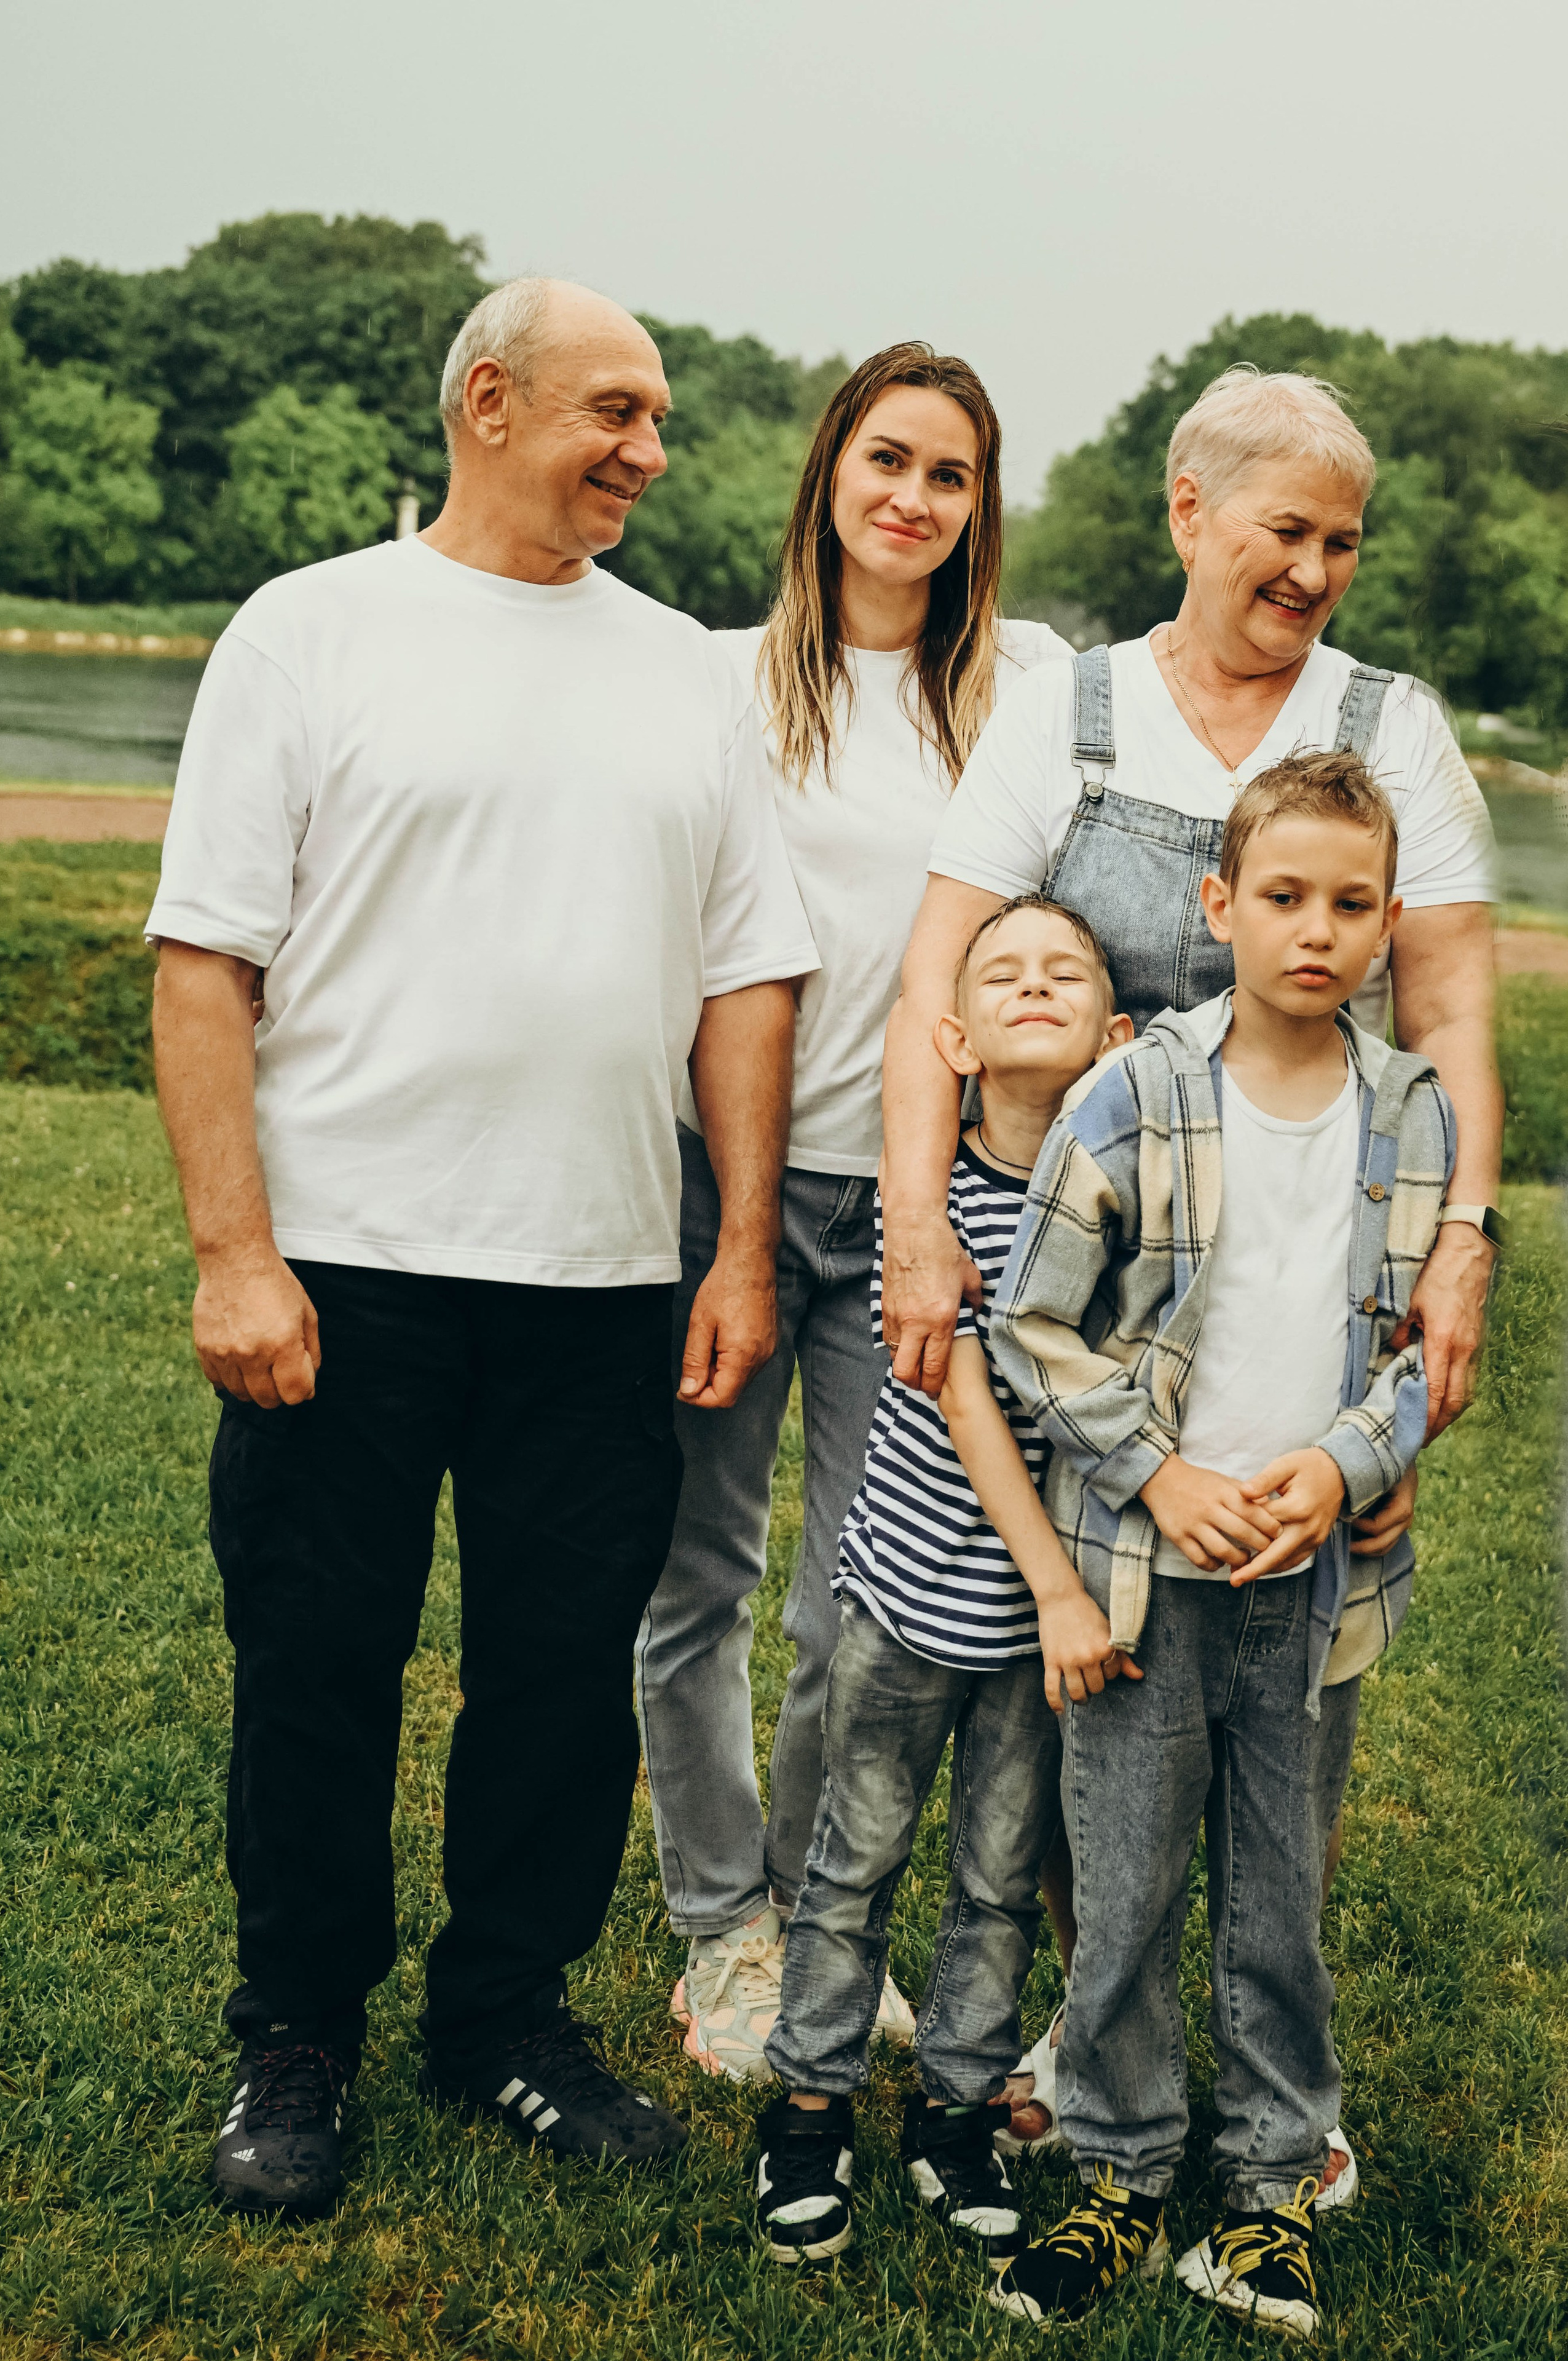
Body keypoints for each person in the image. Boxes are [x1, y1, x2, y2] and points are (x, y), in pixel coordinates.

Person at [148, 277, 819, 2217]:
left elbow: (747, 981)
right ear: (492, 402)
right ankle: (298, 2036)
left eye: (664, 417)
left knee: (555, 1672)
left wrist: (740, 1246)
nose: (653, 450)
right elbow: (207, 964)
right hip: (343, 1267)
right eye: (619, 410)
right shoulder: (313, 631)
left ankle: (505, 2017)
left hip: (603, 1272)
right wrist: (232, 1253)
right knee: (319, 1664)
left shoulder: (686, 670)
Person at [880, 364, 1500, 2169]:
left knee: (1296, 1676)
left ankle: (1269, 2094)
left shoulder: (1396, 726)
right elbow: (938, 981)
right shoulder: (1064, 713)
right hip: (1089, 1285)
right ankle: (1103, 2050)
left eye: (1342, 543)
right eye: (1283, 529)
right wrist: (924, 1226)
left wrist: (1460, 1244)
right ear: (1186, 509)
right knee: (1081, 1672)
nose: (1314, 569)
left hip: (1312, 1271)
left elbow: (1451, 1006)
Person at [634, 346, 1070, 2081]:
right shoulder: (716, 684)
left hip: (913, 1206)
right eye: (886, 459)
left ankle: (814, 1915)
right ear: (830, 474)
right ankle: (720, 1932)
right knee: (694, 1580)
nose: (911, 498)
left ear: (978, 511)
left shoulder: (1021, 692)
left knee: (850, 1604)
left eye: (949, 475)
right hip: (718, 1191)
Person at [982, 754, 1455, 2336]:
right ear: (1217, 907)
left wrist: (1346, 1464)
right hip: (1143, 1573)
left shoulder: (1410, 1111)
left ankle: (1263, 2193)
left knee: (1274, 1900)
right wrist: (1156, 1476)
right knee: (1119, 1890)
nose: (1313, 931)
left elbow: (1413, 1355)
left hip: (1309, 1580)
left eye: (1347, 904)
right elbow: (1033, 1321)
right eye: (1280, 898)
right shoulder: (1135, 1091)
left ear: (1385, 924)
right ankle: (1120, 2163)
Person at [753, 896, 1135, 2271]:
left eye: (1067, 974)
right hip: (911, 1607)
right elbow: (967, 1408)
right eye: (1004, 977)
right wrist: (1054, 1593)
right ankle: (806, 2111)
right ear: (954, 1039)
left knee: (991, 1881)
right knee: (851, 1867)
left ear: (1118, 1033)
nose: (1036, 988)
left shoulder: (1123, 1213)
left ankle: (955, 2113)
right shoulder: (919, 1214)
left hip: (1048, 1639)